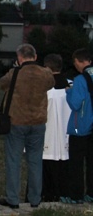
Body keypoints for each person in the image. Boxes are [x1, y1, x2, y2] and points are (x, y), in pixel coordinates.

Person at [0, 43, 54, 209]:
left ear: (19, 58)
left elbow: (1, 84)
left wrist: (15, 69)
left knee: (14, 161)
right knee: (35, 161)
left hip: (17, 121)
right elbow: (50, 84)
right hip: (37, 122)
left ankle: (13, 199)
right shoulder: (45, 73)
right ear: (35, 57)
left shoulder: (15, 73)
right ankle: (35, 199)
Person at [62, 48, 93, 204]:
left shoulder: (80, 79)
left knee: (76, 162)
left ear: (80, 61)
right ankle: (91, 194)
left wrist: (69, 92)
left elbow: (75, 104)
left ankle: (76, 196)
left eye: (75, 63)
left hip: (81, 127)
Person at [41, 53, 71, 202]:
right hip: (67, 133)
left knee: (46, 166)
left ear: (47, 68)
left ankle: (46, 194)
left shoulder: (44, 88)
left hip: (48, 132)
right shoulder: (70, 85)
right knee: (63, 165)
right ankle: (63, 193)